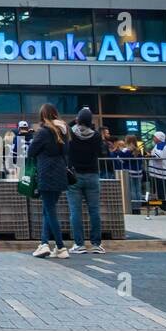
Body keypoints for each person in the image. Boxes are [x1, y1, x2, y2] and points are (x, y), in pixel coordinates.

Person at [28, 103, 70, 260]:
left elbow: (31, 151)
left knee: (50, 211)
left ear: (43, 116)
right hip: (60, 173)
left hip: (46, 173)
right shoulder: (64, 130)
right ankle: (44, 243)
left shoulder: (44, 132)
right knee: (48, 209)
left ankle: (60, 246)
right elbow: (66, 151)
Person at [65, 107, 107, 255]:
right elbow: (102, 151)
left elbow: (67, 126)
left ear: (77, 120)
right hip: (92, 175)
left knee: (75, 211)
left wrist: (75, 121)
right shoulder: (95, 136)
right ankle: (96, 244)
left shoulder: (71, 133)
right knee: (94, 210)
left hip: (74, 175)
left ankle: (79, 244)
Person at [148, 130, 166, 204]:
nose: (153, 138)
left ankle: (165, 207)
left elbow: (158, 156)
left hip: (160, 172)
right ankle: (164, 206)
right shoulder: (160, 145)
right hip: (160, 172)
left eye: (154, 137)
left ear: (158, 138)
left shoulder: (160, 145)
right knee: (161, 191)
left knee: (161, 191)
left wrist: (150, 155)